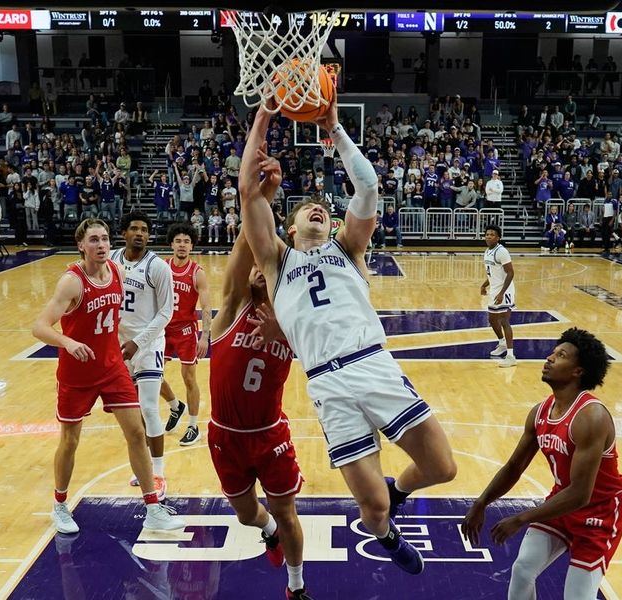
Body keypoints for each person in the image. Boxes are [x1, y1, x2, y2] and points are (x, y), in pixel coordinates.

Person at [240, 95, 457, 575]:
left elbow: (368, 185)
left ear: (332, 223)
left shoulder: (349, 247)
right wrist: (262, 118)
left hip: (372, 364)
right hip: (326, 384)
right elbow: (248, 196)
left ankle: (400, 491)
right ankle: (386, 532)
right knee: (372, 510)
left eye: (322, 208)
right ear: (290, 228)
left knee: (443, 468)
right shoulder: (276, 263)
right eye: (307, 210)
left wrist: (335, 130)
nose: (316, 210)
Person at [208, 150, 313, 599]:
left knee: (288, 512)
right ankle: (265, 529)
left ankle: (295, 586)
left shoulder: (291, 319)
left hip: (270, 434)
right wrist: (262, 198)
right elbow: (244, 250)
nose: (254, 269)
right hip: (225, 435)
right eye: (250, 264)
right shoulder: (229, 311)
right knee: (247, 514)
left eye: (261, 267)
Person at [31, 218, 181, 534]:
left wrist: (140, 340)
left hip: (111, 367)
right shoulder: (71, 282)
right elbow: (39, 326)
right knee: (70, 440)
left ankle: (152, 506)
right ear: (81, 245)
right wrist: (68, 341)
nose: (102, 245)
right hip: (77, 373)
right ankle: (59, 504)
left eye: (105, 239)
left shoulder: (117, 272)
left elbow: (117, 316)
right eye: (95, 240)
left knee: (137, 432)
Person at [461, 328, 622, 599]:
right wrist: (481, 502)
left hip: (600, 510)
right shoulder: (539, 412)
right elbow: (514, 467)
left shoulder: (591, 416)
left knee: (576, 596)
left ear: (578, 371)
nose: (549, 358)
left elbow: (581, 493)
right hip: (563, 501)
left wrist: (520, 518)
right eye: (552, 352)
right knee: (523, 569)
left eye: (560, 355)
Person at [111, 212, 175, 499]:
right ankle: (144, 465)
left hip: (148, 344)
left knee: (149, 407)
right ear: (124, 232)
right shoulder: (110, 260)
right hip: (118, 345)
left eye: (145, 230)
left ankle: (159, 473)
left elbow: (166, 312)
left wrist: (139, 341)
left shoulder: (158, 267)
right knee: (131, 412)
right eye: (134, 228)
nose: (140, 233)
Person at [158, 224, 212, 447]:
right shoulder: (162, 267)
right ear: (172, 244)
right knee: (151, 375)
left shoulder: (197, 272)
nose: (182, 245)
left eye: (186, 242)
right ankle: (174, 405)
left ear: (192, 246)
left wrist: (204, 335)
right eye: (178, 241)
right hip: (162, 328)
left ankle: (193, 425)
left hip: (186, 331)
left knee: (189, 378)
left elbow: (206, 306)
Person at [481, 225, 516, 367]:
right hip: (495, 289)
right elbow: (492, 273)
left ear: (498, 237)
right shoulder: (487, 251)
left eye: (492, 234)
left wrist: (502, 293)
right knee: (492, 319)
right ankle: (502, 343)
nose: (489, 236)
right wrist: (484, 285)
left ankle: (511, 356)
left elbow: (511, 273)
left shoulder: (502, 252)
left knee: (504, 321)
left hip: (505, 291)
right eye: (487, 234)